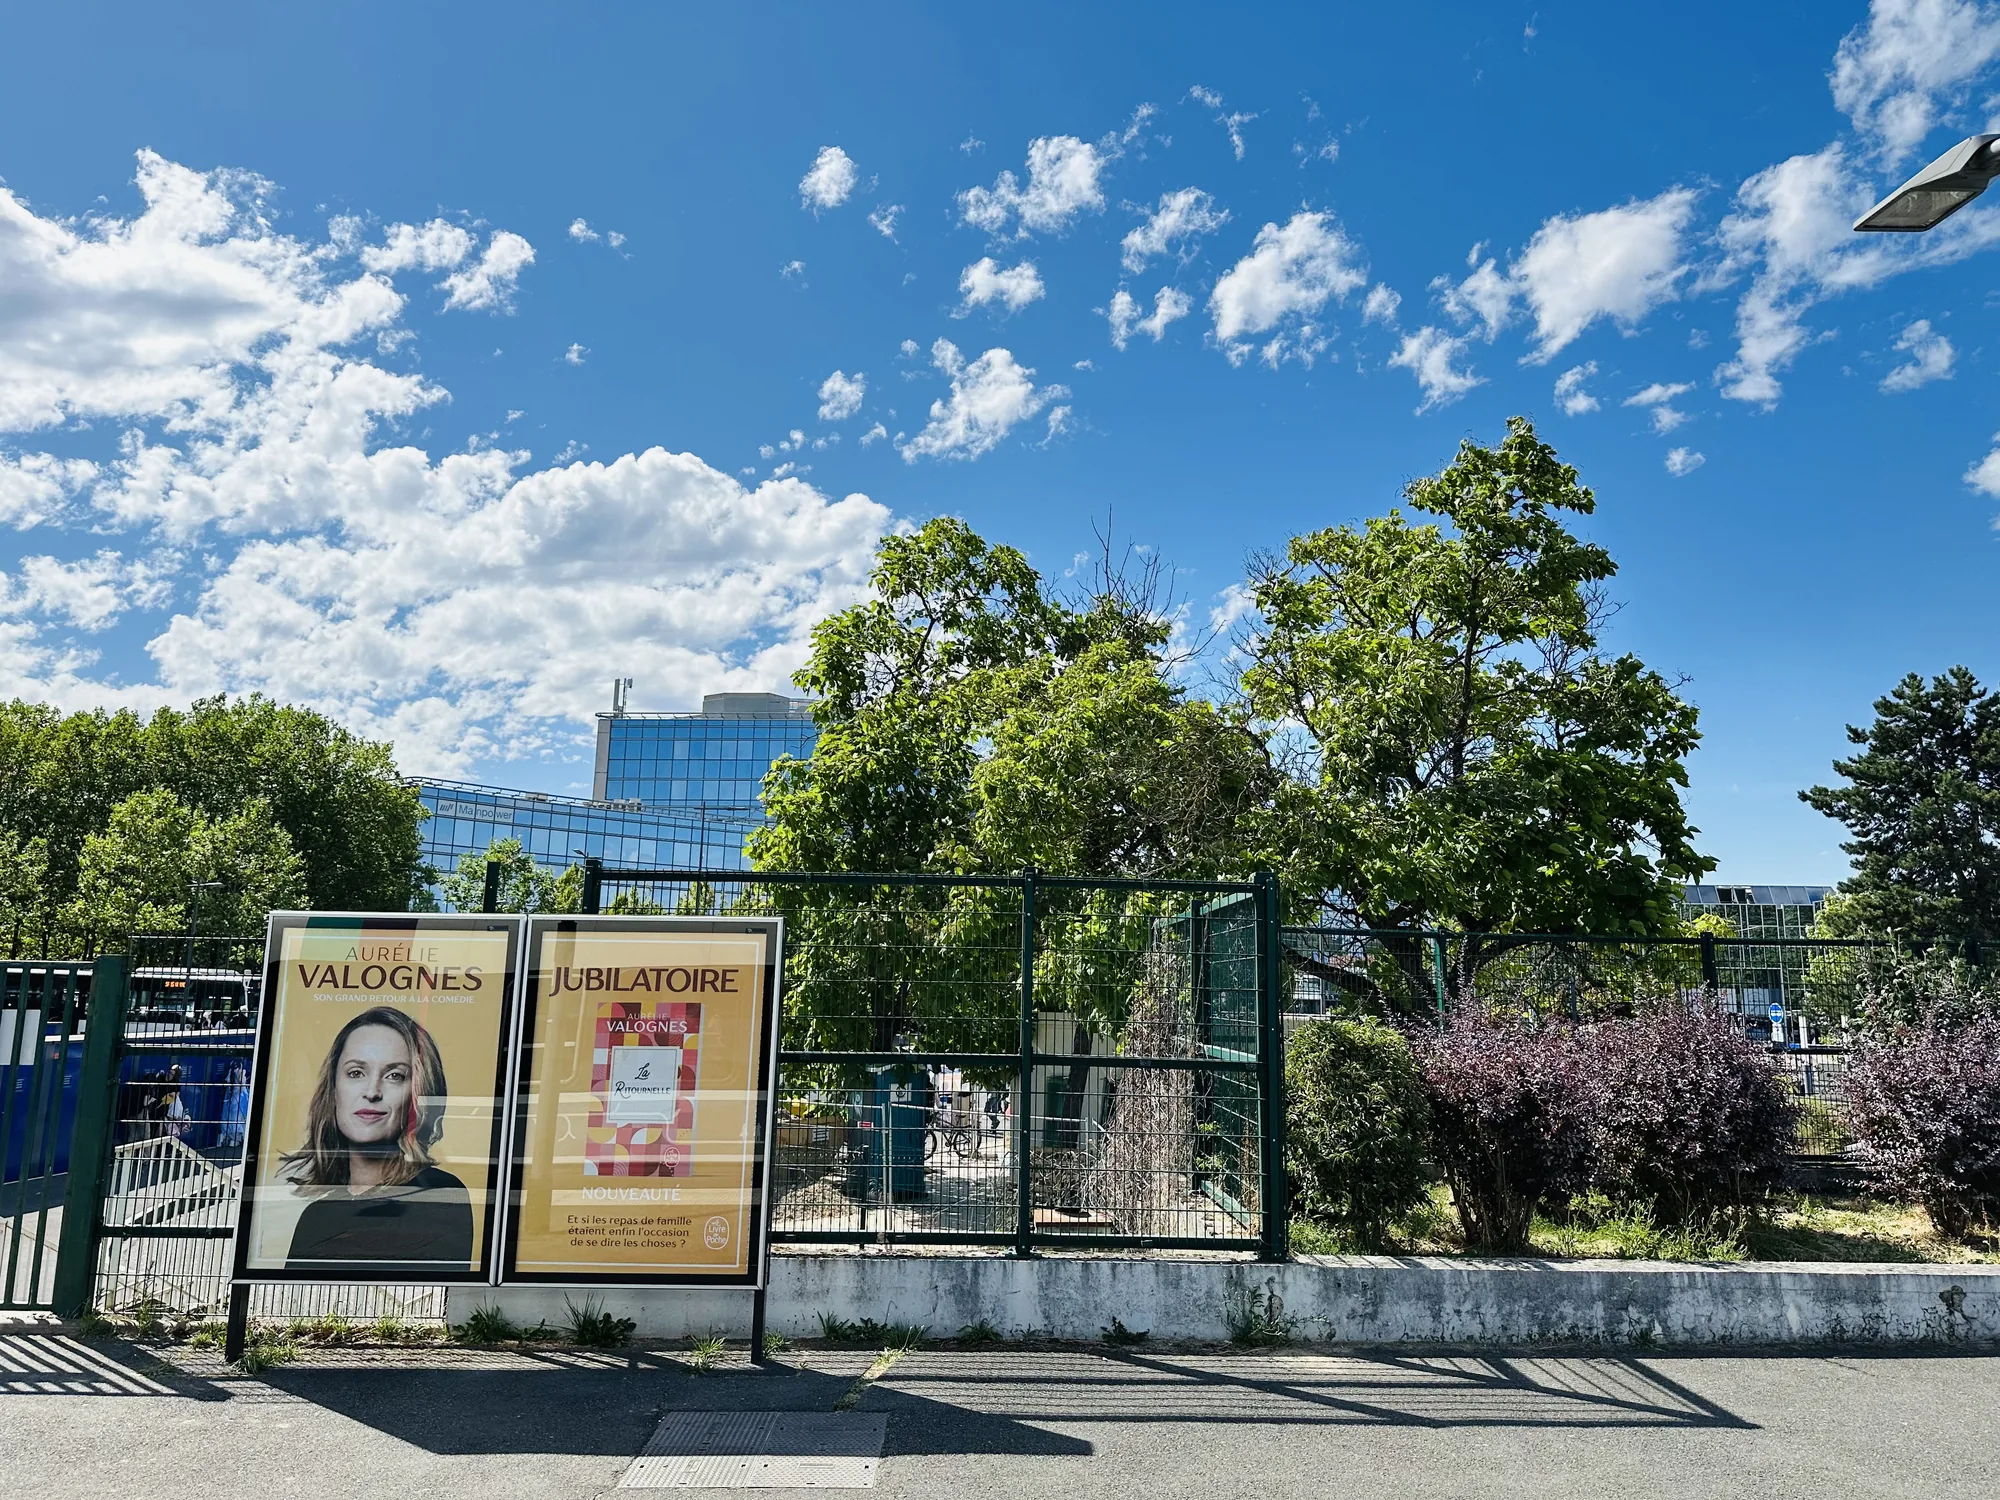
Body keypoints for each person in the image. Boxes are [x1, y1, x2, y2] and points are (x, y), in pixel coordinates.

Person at [281, 1006, 474, 1270]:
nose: (372, 1092)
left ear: (418, 1095)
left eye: (395, 1076)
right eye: (356, 1073)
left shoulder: (440, 1195)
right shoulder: (316, 1215)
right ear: (334, 1089)